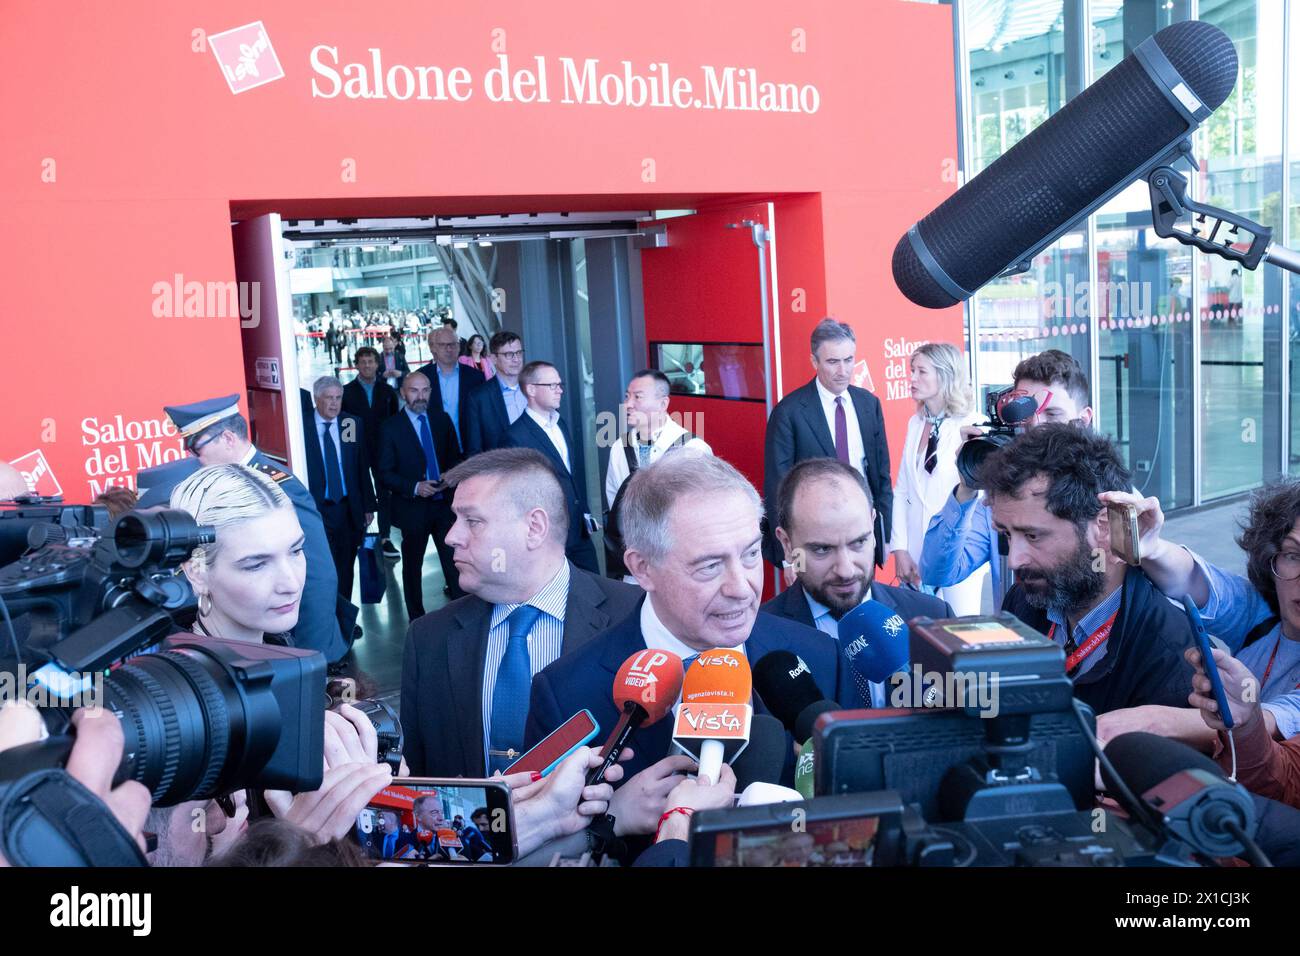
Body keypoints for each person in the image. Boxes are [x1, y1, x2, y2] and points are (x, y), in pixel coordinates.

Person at [524, 453, 842, 840]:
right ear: (642, 568)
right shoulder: (565, 694)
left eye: (750, 553)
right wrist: (609, 822)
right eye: (710, 566)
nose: (741, 587)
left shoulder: (818, 656)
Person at [400, 449, 641, 778]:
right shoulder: (428, 639)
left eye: (472, 521)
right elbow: (418, 780)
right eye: (455, 520)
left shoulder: (634, 616)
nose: (451, 537)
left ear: (534, 527)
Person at [984, 425, 1196, 714]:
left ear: (1105, 528)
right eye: (1007, 535)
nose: (1015, 560)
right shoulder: (1023, 601)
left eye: (1033, 536)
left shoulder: (1173, 658)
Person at [141, 395, 352, 662]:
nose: (194, 459)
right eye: (256, 564)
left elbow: (320, 575)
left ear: (228, 438)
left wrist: (314, 658)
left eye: (197, 449)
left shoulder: (274, 487)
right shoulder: (220, 491)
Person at [1095, 479, 1300, 750]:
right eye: (1294, 555)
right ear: (1271, 556)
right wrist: (1151, 547)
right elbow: (1194, 581)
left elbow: (1270, 721)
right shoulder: (1264, 614)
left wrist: (1151, 721)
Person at [762, 458, 952, 708]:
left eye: (858, 543)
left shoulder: (933, 616)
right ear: (787, 545)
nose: (845, 569)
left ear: (874, 528)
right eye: (822, 549)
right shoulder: (759, 639)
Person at [919, 348, 1094, 604]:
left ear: (1083, 419)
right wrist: (968, 486)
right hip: (1020, 637)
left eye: (1052, 414)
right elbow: (937, 571)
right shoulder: (997, 503)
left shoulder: (1108, 494)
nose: (1037, 426)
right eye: (1024, 414)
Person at [763, 318, 893, 569]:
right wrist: (793, 561)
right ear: (815, 361)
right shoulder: (788, 412)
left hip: (861, 536)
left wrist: (883, 536)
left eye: (849, 360)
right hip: (814, 545)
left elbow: (881, 476)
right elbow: (777, 489)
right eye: (833, 361)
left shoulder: (869, 404)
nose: (843, 370)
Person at [889, 342, 986, 613]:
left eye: (921, 371)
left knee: (962, 634)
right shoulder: (916, 423)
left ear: (944, 376)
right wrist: (900, 549)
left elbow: (980, 498)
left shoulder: (973, 424)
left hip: (959, 553)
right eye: (912, 370)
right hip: (917, 551)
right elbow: (902, 491)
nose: (912, 378)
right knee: (923, 639)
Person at [604, 369, 712, 580]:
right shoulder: (619, 447)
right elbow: (615, 503)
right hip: (635, 567)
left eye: (638, 397)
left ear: (663, 404)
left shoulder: (692, 449)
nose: (628, 404)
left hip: (681, 564)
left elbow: (702, 512)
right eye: (627, 396)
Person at [376, 372, 464, 619]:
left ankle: (463, 614)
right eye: (414, 391)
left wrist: (451, 474)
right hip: (412, 509)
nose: (420, 396)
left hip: (444, 505)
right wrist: (415, 486)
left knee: (453, 562)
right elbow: (384, 473)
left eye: (425, 390)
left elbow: (455, 456)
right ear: (403, 393)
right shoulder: (391, 428)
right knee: (412, 567)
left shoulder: (441, 420)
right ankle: (416, 618)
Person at [502, 361, 600, 574]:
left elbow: (570, 475)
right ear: (531, 390)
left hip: (578, 529)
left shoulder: (560, 423)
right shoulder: (516, 436)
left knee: (595, 588)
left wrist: (585, 513)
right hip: (550, 534)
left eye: (559, 384)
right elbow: (521, 493)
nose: (560, 390)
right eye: (552, 385)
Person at [303, 376, 376, 599]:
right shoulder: (302, 426)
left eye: (338, 398)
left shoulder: (349, 424)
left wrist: (368, 505)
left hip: (347, 508)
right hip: (317, 509)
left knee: (346, 568)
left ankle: (345, 620)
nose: (334, 403)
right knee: (324, 568)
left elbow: (360, 465)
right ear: (316, 399)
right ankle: (327, 619)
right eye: (329, 398)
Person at [342, 345, 401, 560]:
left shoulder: (387, 392)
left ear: (378, 364)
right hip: (356, 450)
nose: (367, 366)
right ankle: (361, 534)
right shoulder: (346, 392)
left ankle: (385, 537)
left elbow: (395, 421)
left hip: (383, 450)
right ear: (356, 365)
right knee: (357, 490)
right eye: (363, 362)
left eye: (371, 361)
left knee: (384, 491)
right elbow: (343, 424)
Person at [416, 325, 485, 451]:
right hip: (435, 449)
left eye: (452, 344)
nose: (449, 349)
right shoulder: (421, 377)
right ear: (434, 348)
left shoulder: (476, 377)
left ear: (459, 347)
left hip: (470, 449)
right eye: (443, 345)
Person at [463, 331, 528, 456]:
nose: (516, 359)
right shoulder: (479, 398)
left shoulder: (534, 388)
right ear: (493, 359)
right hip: (501, 471)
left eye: (519, 353)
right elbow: (475, 451)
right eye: (509, 354)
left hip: (539, 469)